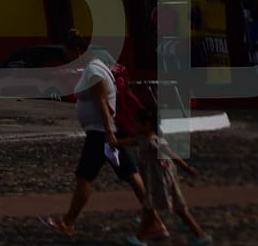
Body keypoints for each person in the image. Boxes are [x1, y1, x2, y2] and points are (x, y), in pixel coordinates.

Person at [42, 29, 165, 239]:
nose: (66, 56)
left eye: (68, 52)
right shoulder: (95, 68)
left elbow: (103, 104)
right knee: (131, 176)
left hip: (100, 134)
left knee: (85, 177)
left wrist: (108, 133)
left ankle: (68, 222)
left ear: (78, 50)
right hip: (104, 132)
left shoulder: (94, 72)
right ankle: (155, 222)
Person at [121, 95, 210, 246]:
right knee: (179, 207)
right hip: (157, 178)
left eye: (135, 123)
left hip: (160, 179)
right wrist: (114, 142)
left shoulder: (154, 141)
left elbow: (170, 153)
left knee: (150, 209)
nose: (133, 126)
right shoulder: (143, 138)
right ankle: (199, 233)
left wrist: (187, 168)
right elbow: (131, 141)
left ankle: (140, 239)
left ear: (147, 124)